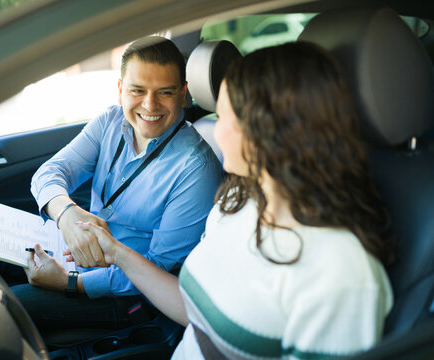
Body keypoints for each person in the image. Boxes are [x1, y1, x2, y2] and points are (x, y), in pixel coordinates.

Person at [76, 41, 395, 359]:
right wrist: (116, 253)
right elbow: (196, 312)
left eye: (225, 116)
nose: (215, 130)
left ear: (271, 131)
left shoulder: (340, 274)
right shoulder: (239, 201)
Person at [12, 36, 223, 332]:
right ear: (121, 89)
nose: (150, 105)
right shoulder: (110, 122)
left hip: (130, 295)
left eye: (165, 92)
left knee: (5, 306)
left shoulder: (196, 168)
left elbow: (158, 267)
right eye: (138, 90)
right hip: (76, 254)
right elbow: (49, 173)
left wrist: (69, 283)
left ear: (183, 93)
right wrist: (66, 214)